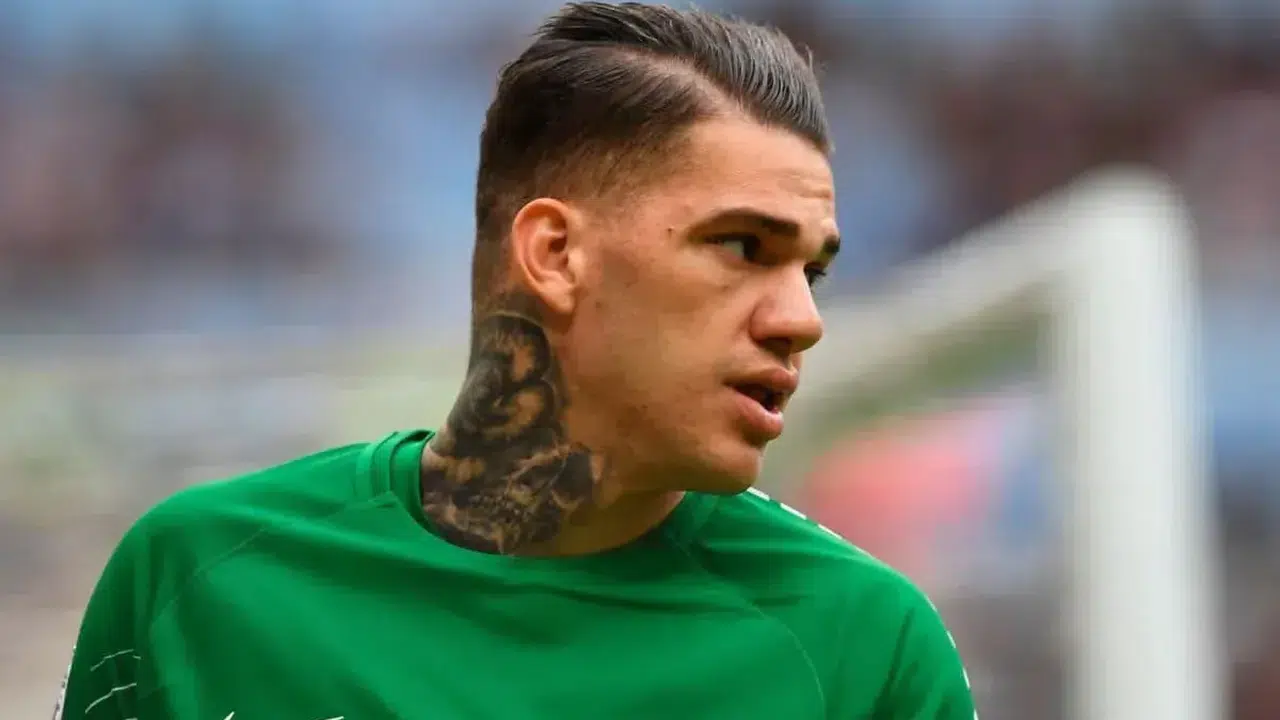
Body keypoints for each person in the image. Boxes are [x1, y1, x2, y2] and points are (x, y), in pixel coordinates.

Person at [56, 3, 977, 718]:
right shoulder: (200, 580)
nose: (801, 320)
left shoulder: (865, 649)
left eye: (812, 272)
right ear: (555, 255)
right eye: (743, 247)